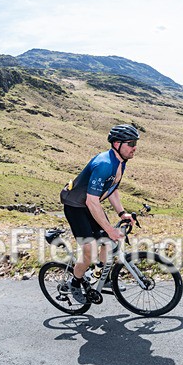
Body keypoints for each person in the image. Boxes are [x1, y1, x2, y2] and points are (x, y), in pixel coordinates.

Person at [60, 124, 139, 303]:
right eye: (131, 143)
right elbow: (92, 201)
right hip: (75, 206)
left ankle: (102, 278)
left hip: (88, 204)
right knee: (89, 251)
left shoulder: (120, 162)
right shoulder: (105, 164)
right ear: (117, 144)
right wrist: (110, 229)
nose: (135, 147)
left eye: (136, 143)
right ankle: (75, 281)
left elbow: (112, 189)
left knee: (107, 241)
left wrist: (122, 213)